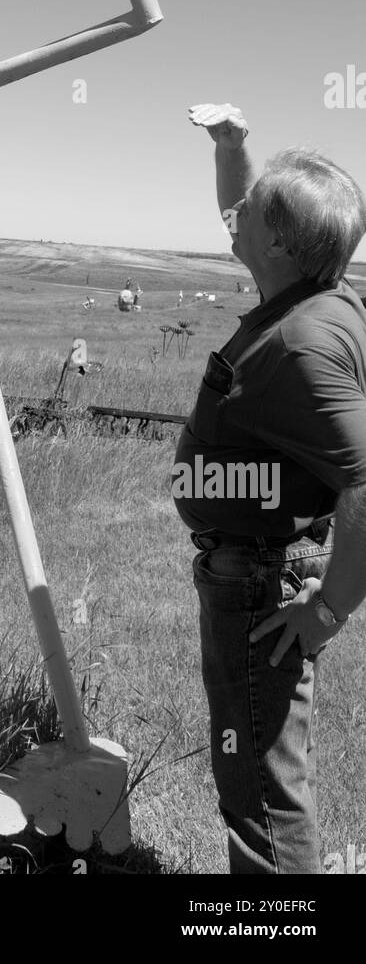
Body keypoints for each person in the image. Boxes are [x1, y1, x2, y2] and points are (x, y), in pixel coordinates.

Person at [176, 105, 366, 874]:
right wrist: (235, 148)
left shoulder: (298, 344)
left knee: (259, 788)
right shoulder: (318, 289)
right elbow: (244, 207)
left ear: (280, 243)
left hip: (259, 575)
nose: (233, 215)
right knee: (257, 767)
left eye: (248, 214)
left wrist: (326, 612)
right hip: (255, 560)